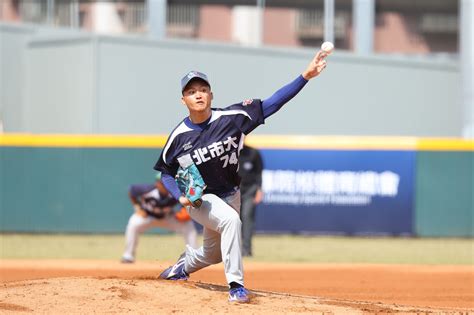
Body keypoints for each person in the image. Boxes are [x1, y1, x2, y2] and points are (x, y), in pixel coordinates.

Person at [153, 50, 328, 303]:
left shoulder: (233, 118)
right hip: (201, 199)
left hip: (231, 194)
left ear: (211, 95)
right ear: (183, 100)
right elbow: (166, 172)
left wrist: (305, 76)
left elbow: (273, 103)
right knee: (232, 222)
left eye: (203, 89)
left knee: (213, 254)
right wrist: (179, 196)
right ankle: (236, 285)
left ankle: (182, 266)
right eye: (191, 92)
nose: (198, 94)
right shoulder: (178, 136)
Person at [121, 172, 198, 263]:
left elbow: (189, 199)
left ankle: (194, 256)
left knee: (188, 225)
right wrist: (137, 207)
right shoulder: (147, 190)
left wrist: (186, 211)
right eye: (162, 183)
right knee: (133, 224)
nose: (165, 185)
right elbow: (132, 190)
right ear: (157, 183)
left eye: (167, 183)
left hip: (167, 217)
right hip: (147, 216)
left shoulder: (176, 193)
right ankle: (128, 255)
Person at [238, 144, 264, 257]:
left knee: (247, 217)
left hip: (249, 191)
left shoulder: (253, 152)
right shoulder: (229, 152)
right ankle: (234, 250)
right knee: (233, 221)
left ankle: (246, 250)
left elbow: (259, 173)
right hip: (234, 191)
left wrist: (259, 189)